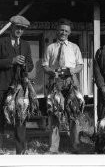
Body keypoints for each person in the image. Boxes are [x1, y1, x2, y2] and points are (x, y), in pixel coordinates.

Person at [42, 18, 83, 154]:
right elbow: (45, 65)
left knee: (73, 114)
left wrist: (73, 70)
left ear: (69, 32)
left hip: (71, 82)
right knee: (54, 114)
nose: (63, 32)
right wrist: (51, 72)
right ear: (57, 31)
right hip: (55, 82)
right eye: (61, 30)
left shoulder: (74, 47)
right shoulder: (50, 47)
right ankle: (53, 148)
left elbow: (80, 65)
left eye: (66, 30)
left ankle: (75, 146)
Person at [0, 15, 34, 154]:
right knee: (1, 118)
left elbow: (31, 65)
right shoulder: (1, 42)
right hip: (2, 86)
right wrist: (12, 61)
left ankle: (21, 151)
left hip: (20, 88)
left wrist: (26, 64)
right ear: (11, 27)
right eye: (17, 27)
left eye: (22, 29)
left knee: (21, 118)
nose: (19, 30)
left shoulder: (26, 45)